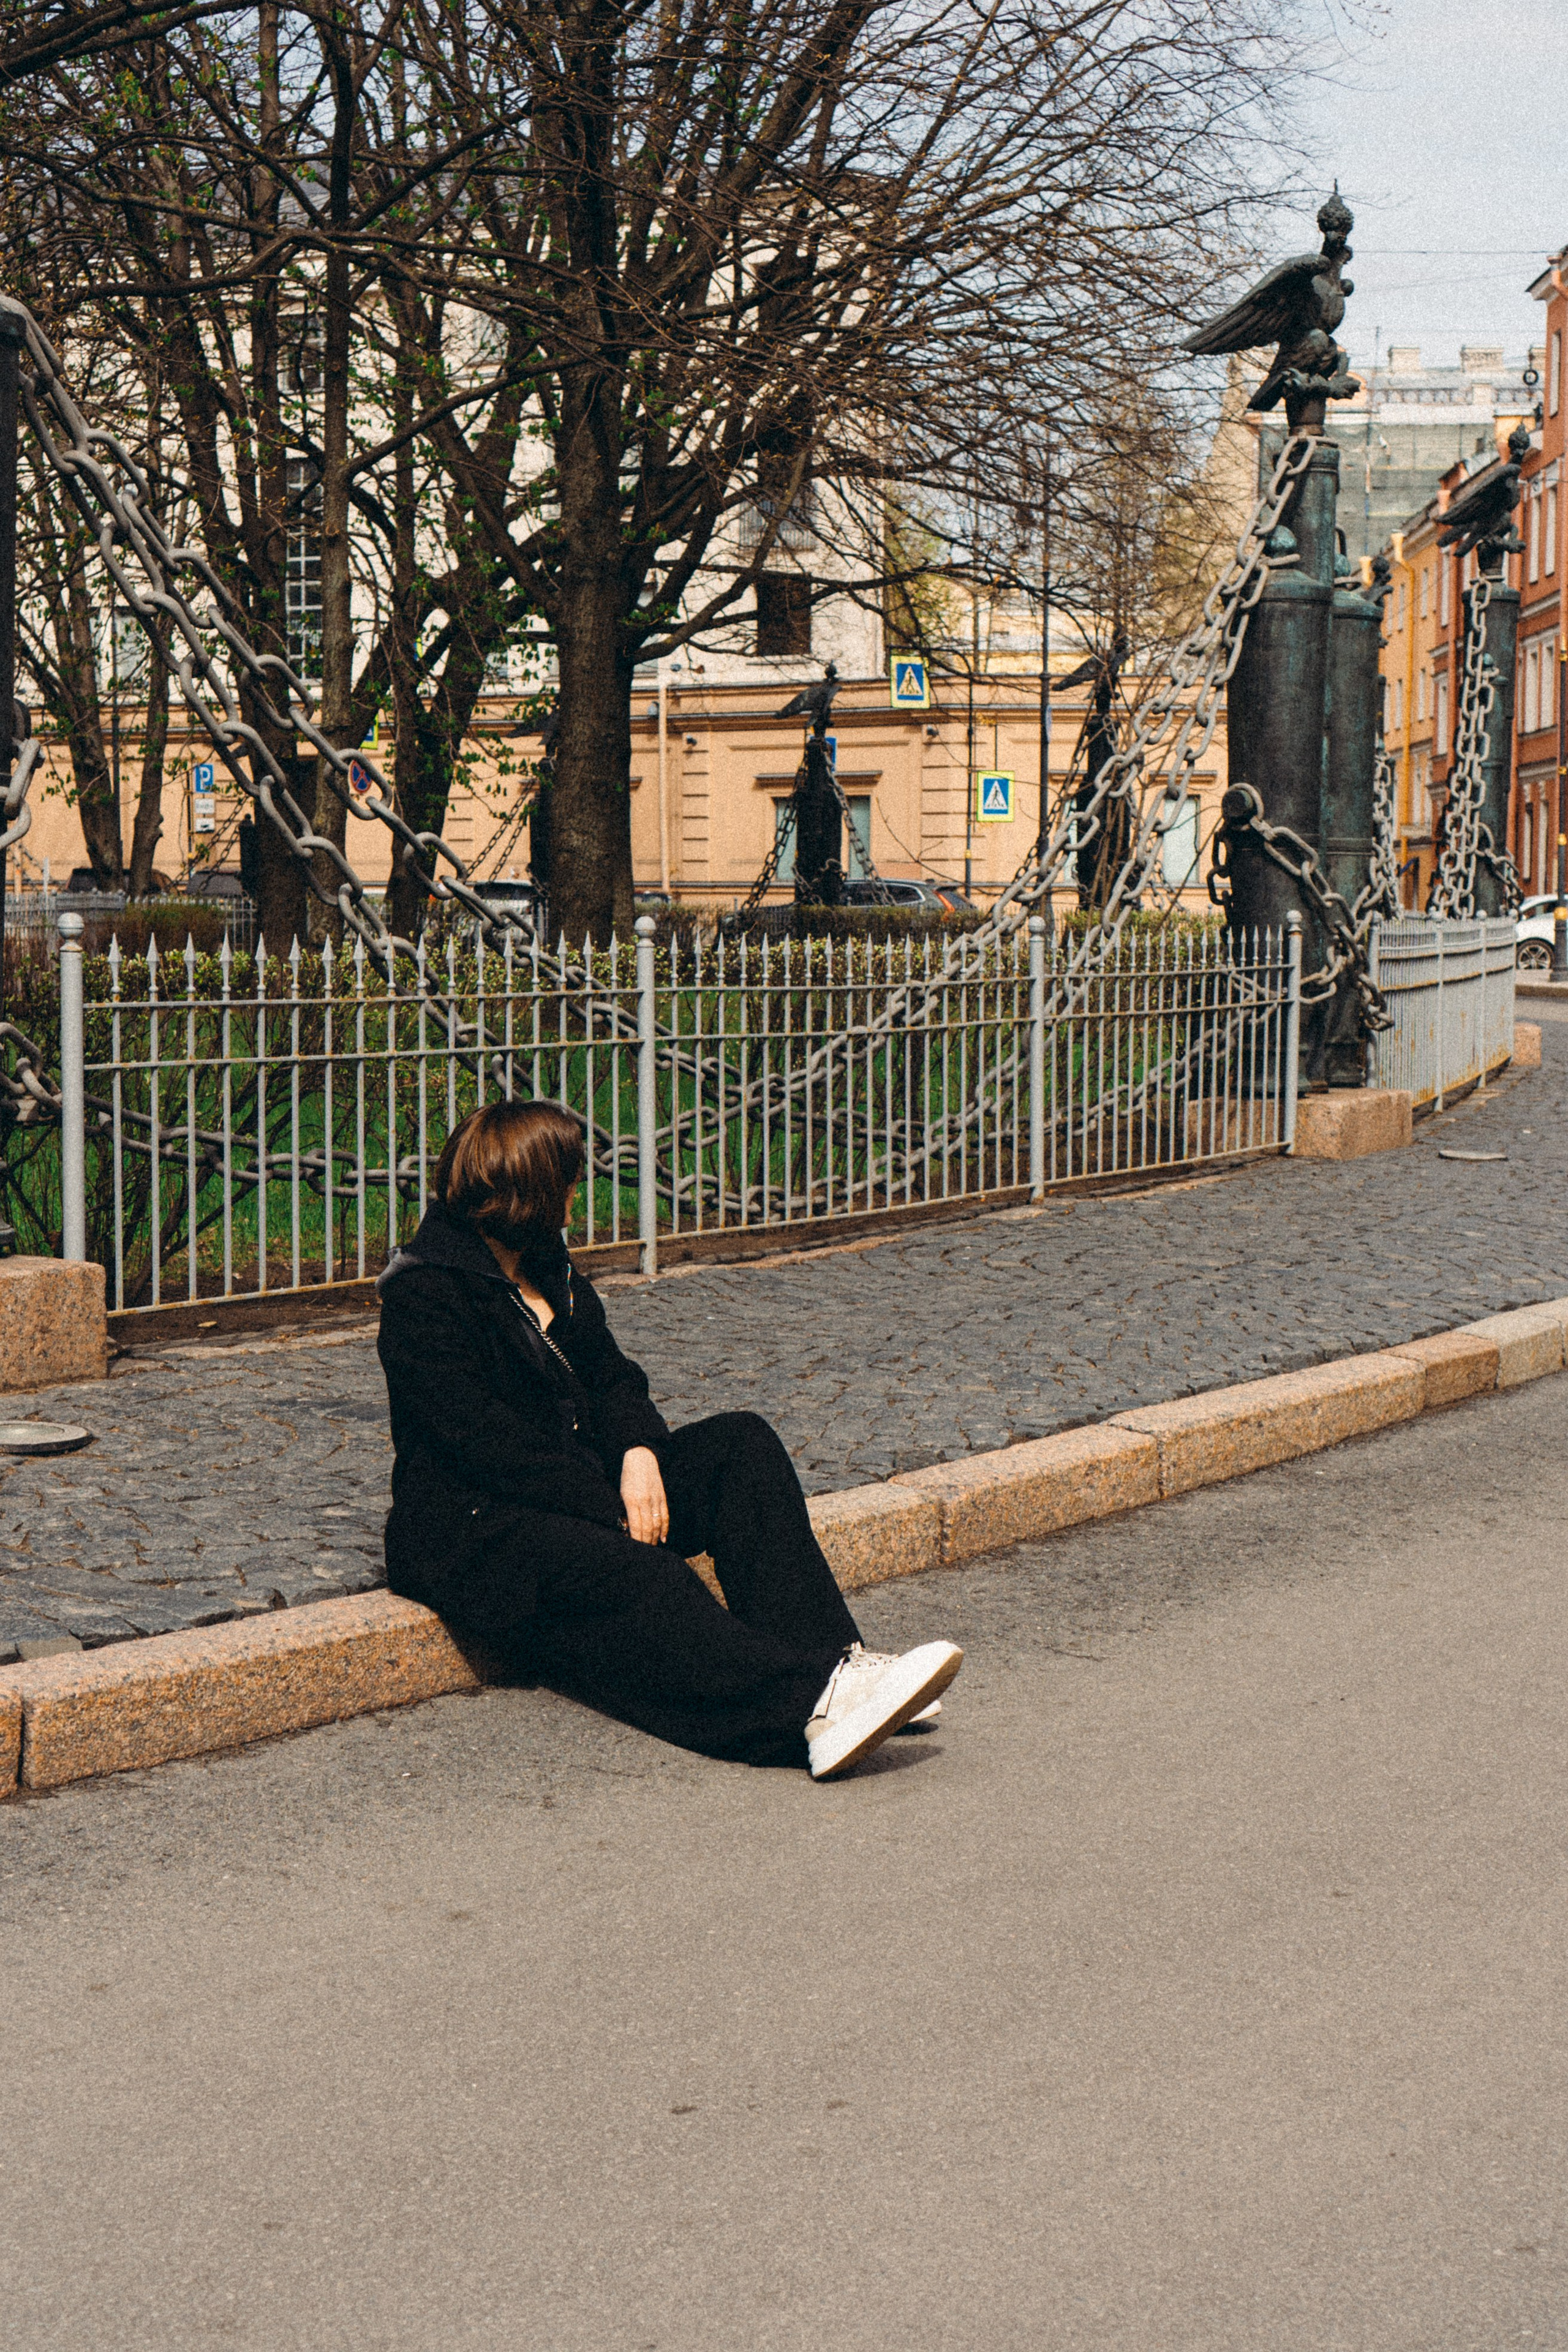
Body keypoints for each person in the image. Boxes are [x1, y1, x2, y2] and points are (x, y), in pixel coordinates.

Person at [376, 1099, 962, 1779]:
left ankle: (837, 1667)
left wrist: (639, 1455)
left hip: (584, 1487)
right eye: (568, 1179)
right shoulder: (425, 1295)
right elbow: (487, 1447)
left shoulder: (545, 1266)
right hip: (473, 1528)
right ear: (529, 1190)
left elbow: (615, 1378)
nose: (577, 1193)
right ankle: (808, 1707)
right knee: (641, 1572)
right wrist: (612, 1507)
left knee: (740, 1447)